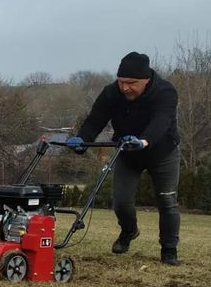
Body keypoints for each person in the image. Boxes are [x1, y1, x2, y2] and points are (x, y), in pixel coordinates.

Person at [66, 52, 180, 265]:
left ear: (146, 80)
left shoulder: (165, 92)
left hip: (162, 152)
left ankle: (169, 249)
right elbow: (95, 120)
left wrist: (143, 141)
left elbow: (161, 122)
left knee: (167, 201)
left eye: (132, 83)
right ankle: (129, 231)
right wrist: (82, 139)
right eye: (122, 82)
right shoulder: (111, 93)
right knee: (121, 201)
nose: (126, 87)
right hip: (127, 152)